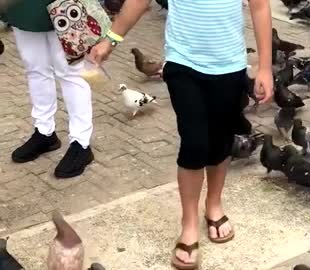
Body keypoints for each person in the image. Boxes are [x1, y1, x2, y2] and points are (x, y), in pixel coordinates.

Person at [89, 0, 273, 268]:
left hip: (229, 65)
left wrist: (265, 67)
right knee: (194, 145)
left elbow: (260, 7)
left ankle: (213, 205)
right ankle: (188, 223)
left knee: (221, 141)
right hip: (183, 64)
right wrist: (111, 39)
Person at [4, 0, 94, 178]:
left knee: (71, 73)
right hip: (22, 9)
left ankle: (81, 143)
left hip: (64, 4)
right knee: (35, 69)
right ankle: (44, 132)